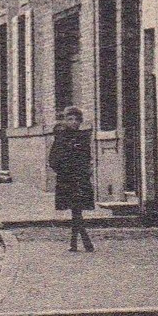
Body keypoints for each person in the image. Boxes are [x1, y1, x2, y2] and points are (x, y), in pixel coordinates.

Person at [47, 106, 96, 252]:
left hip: (81, 178)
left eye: (77, 120)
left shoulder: (83, 137)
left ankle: (76, 243)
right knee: (76, 210)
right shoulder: (61, 137)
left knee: (77, 210)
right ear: (65, 121)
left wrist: (86, 169)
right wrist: (63, 169)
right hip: (67, 179)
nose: (74, 122)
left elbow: (87, 157)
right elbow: (53, 159)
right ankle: (83, 241)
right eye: (70, 119)